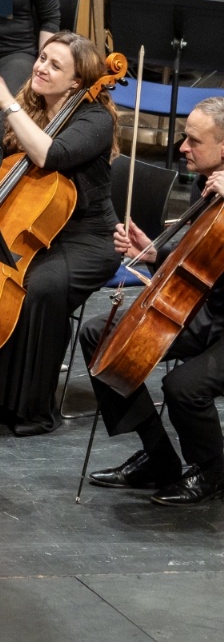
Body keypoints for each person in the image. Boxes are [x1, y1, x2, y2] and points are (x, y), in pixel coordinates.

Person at [0, 32, 119, 436]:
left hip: (87, 238)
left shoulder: (95, 120)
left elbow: (51, 154)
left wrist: (8, 104)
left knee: (40, 288)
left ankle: (32, 409)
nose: (41, 68)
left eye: (55, 64)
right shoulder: (30, 106)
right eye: (42, 58)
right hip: (30, 224)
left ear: (76, 81)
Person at [82, 98, 224, 505]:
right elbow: (201, 257)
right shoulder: (207, 184)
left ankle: (212, 472)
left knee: (183, 387)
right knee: (100, 336)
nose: (182, 147)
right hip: (207, 309)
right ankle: (159, 457)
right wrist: (153, 253)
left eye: (194, 141)